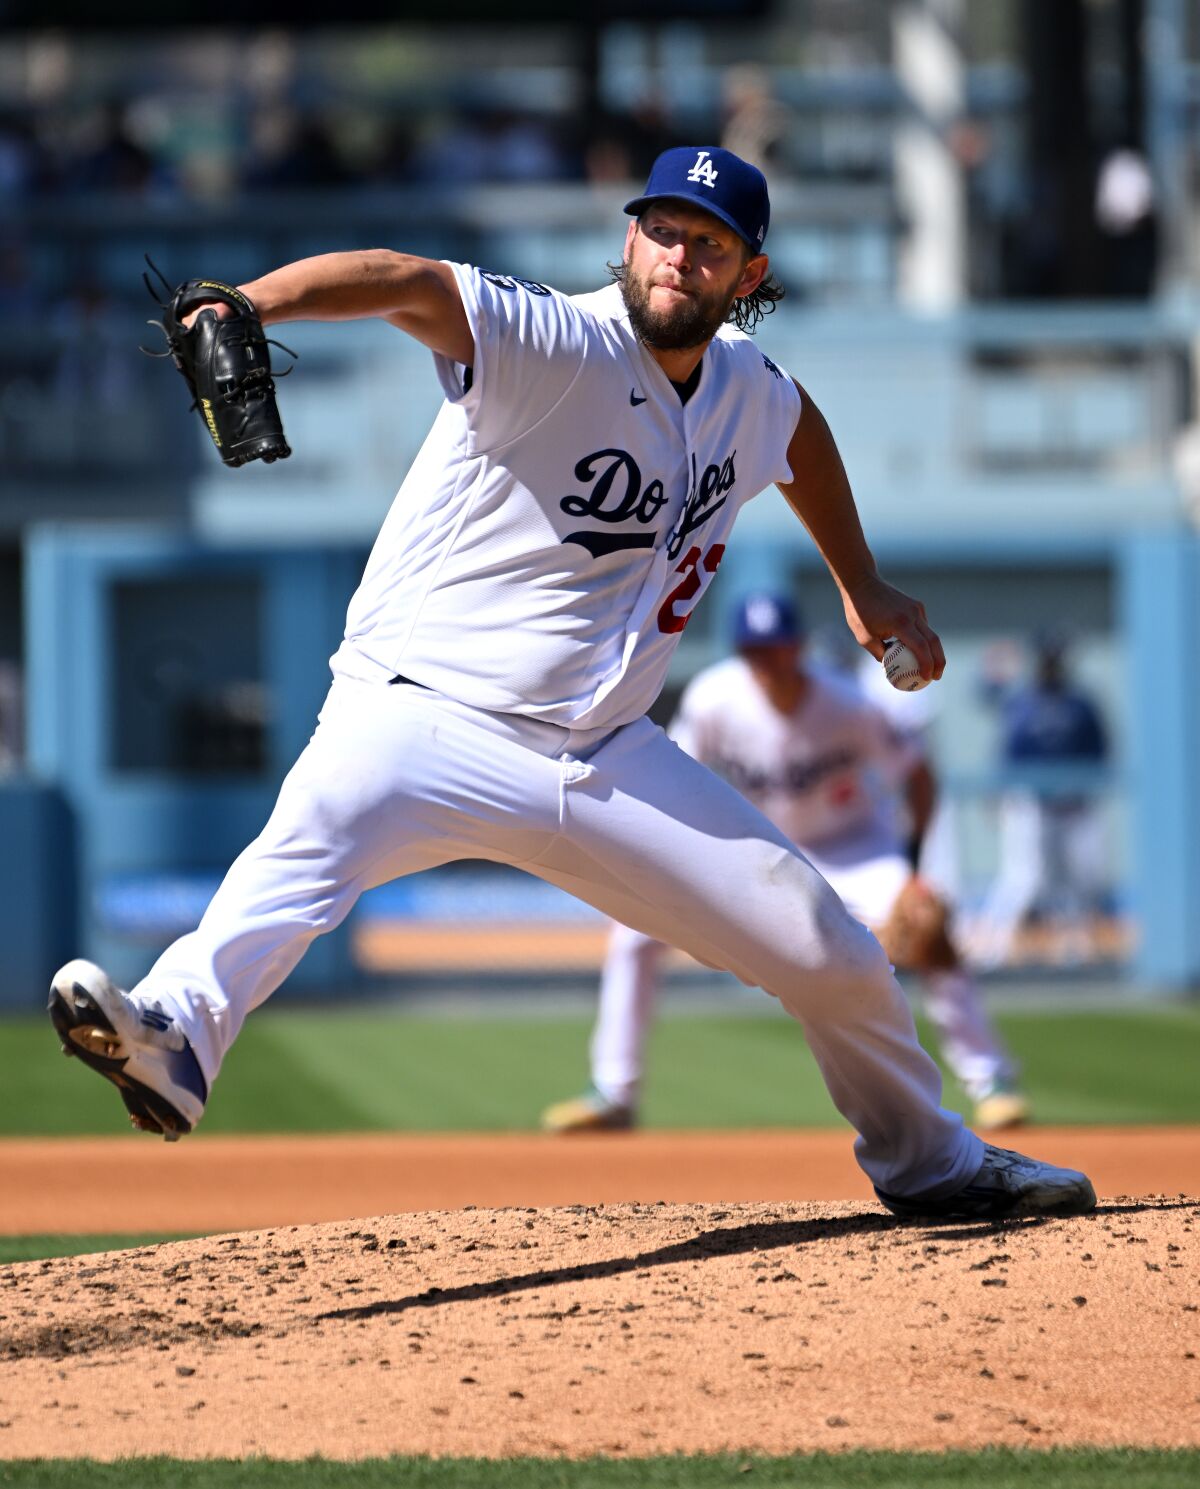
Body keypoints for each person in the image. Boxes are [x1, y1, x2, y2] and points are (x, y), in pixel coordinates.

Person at [49, 145, 1093, 1222]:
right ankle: (175, 1038)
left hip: (605, 753)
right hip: (423, 711)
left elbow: (805, 437)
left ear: (750, 273)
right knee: (300, 847)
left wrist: (861, 581)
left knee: (829, 950)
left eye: (709, 243)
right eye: (662, 228)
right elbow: (406, 279)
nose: (677, 256)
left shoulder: (746, 387)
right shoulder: (556, 335)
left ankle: (931, 1162)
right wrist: (249, 302)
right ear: (630, 235)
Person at [542, 593, 1028, 1137]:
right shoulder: (714, 699)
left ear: (797, 647)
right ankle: (614, 1091)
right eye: (754, 651)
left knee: (929, 925)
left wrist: (914, 869)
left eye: (775, 648)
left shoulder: (851, 704)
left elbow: (918, 776)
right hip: (764, 847)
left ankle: (993, 1082)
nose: (766, 661)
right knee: (633, 933)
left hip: (853, 849)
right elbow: (669, 776)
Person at [974, 633, 1110, 969]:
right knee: (1024, 878)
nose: (1053, 665)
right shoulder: (1022, 702)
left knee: (1081, 879)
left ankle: (1077, 952)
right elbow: (1004, 746)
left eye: (1058, 658)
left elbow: (1099, 751)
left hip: (1074, 804)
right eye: (1049, 658)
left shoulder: (1081, 704)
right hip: (1031, 803)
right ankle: (991, 948)